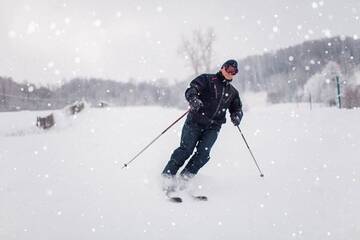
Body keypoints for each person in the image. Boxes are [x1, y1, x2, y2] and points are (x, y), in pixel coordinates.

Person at [161, 59, 243, 191]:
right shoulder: (207, 79)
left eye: (234, 72)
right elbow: (191, 89)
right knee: (186, 150)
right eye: (229, 69)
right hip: (195, 121)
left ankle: (185, 178)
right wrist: (194, 99)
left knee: (203, 155)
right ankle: (167, 177)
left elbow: (237, 108)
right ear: (222, 68)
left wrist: (237, 116)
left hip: (213, 127)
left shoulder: (233, 92)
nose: (231, 73)